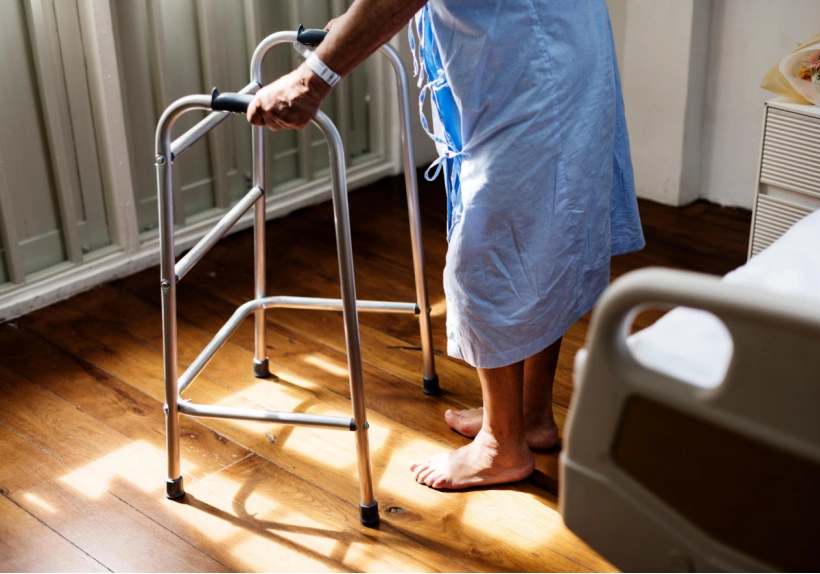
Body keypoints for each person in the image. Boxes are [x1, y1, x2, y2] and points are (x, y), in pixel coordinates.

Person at [247, 0, 645, 490]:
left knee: (493, 249)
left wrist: (313, 77)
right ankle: (527, 415)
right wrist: (350, 26)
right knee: (544, 234)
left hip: (532, 62)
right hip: (546, 46)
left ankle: (502, 447)